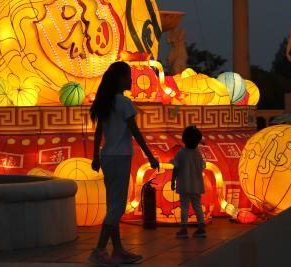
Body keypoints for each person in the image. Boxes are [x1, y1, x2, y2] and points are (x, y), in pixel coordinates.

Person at [89, 61, 160, 266]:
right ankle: (100, 249)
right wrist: (150, 156)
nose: (131, 80)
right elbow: (135, 133)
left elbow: (98, 132)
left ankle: (118, 249)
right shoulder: (124, 102)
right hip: (120, 157)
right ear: (120, 79)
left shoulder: (106, 101)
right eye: (128, 76)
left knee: (112, 205)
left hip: (107, 157)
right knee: (118, 207)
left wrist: (95, 156)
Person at [172, 125, 207, 239]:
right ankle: (201, 229)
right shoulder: (198, 153)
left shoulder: (181, 153)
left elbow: (176, 168)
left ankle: (184, 229)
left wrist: (173, 181)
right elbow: (202, 166)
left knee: (184, 207)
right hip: (197, 185)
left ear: (183, 139)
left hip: (184, 184)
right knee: (197, 206)